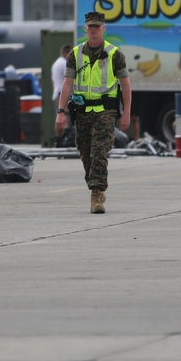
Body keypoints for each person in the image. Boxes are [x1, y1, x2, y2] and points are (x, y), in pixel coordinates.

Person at [55, 11, 132, 214]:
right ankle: (95, 184)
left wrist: (126, 114)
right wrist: (60, 111)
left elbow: (126, 84)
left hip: (106, 111)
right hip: (82, 112)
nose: (94, 29)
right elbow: (67, 83)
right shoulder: (75, 54)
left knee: (99, 151)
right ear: (85, 29)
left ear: (104, 28)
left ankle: (96, 194)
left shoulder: (115, 54)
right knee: (86, 153)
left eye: (97, 26)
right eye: (91, 26)